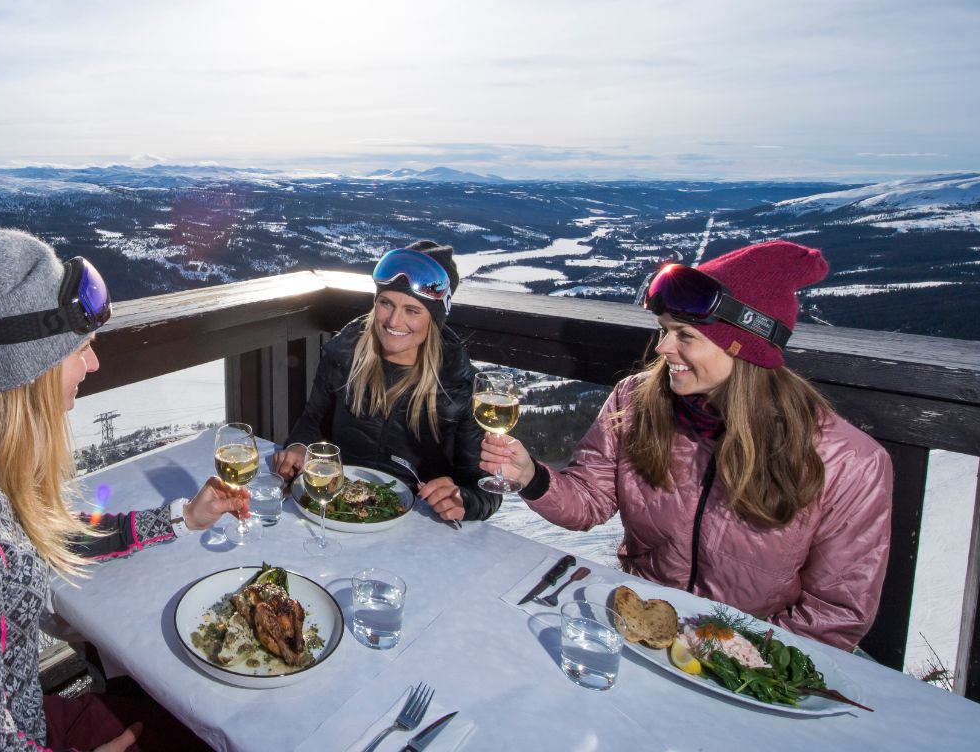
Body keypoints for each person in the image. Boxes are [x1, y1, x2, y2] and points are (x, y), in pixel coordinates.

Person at [0, 229, 246, 752]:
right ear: (32, 371)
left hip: (28, 722)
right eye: (82, 349)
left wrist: (184, 518)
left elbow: (54, 535)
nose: (94, 364)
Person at [481, 240, 892, 650]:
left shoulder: (849, 461)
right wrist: (532, 478)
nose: (662, 348)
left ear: (745, 345)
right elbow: (590, 501)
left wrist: (731, 656)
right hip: (641, 627)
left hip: (745, 659)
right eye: (663, 330)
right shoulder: (637, 400)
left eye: (685, 335)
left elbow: (835, 614)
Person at [272, 241, 500, 522]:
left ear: (435, 319)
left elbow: (486, 489)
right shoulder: (344, 356)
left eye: (412, 311)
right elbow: (314, 421)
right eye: (386, 303)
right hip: (337, 507)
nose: (394, 320)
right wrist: (299, 447)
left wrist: (462, 500)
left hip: (417, 520)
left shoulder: (460, 387)